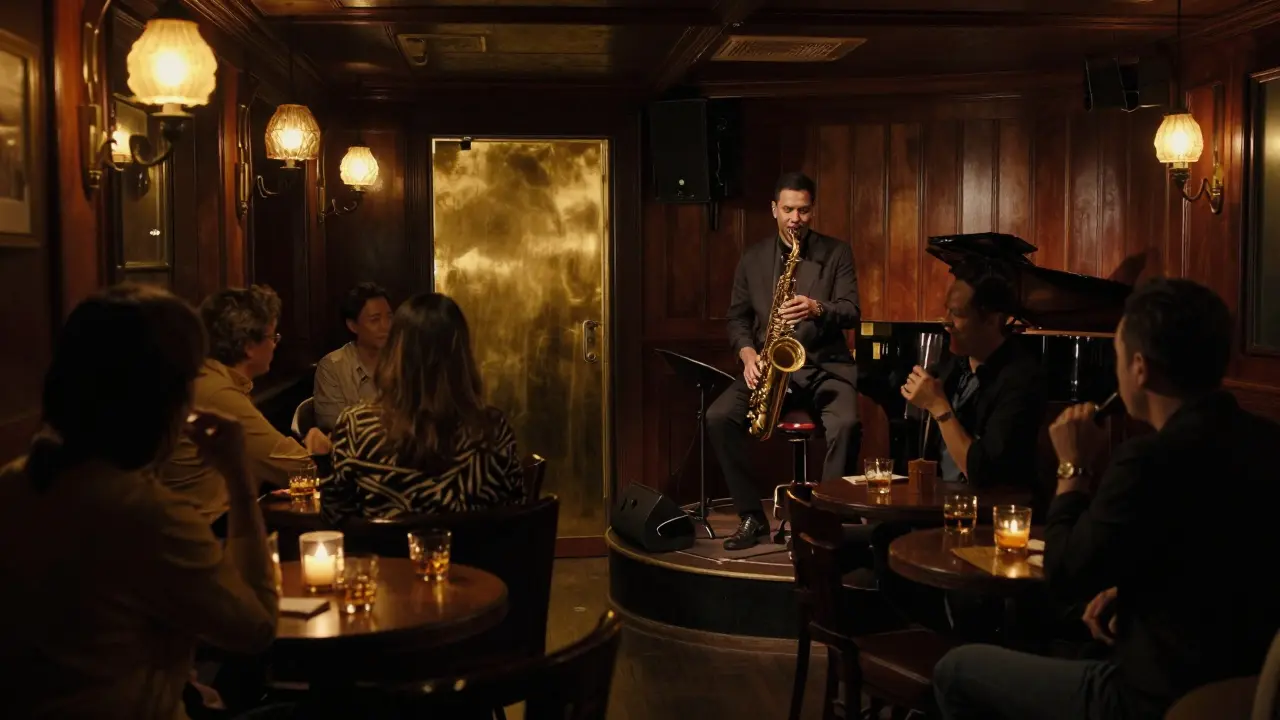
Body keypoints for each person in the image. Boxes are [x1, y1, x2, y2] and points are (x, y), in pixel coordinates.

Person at [932, 278, 1280, 719]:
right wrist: (1128, 592)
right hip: (1246, 684)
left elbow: (1064, 574)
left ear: (1138, 368)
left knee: (956, 670)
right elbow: (1209, 559)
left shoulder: (1148, 459)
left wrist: (1072, 468)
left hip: (1148, 693)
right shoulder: (1267, 442)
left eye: (1116, 356)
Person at [0, 285, 278, 719]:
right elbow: (256, 627)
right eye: (189, 380)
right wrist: (240, 481)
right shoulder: (147, 515)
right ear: (162, 399)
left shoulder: (14, 484)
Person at [707, 172, 861, 550]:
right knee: (718, 417)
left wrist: (817, 307)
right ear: (774, 209)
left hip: (825, 367)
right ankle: (751, 517)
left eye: (804, 210)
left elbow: (852, 311)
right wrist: (746, 353)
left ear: (813, 211)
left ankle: (825, 521)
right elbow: (738, 318)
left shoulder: (836, 252)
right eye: (788, 209)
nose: (795, 218)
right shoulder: (753, 258)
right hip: (770, 367)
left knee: (848, 424)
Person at [322, 292, 524, 523]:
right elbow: (515, 517)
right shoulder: (492, 430)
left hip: (384, 559)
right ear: (462, 355)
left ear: (395, 353)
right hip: (471, 558)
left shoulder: (356, 427)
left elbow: (334, 518)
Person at [160, 285, 328, 523]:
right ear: (249, 346)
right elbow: (298, 469)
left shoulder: (211, 378)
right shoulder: (217, 392)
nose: (274, 345)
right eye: (272, 337)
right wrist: (320, 452)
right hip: (207, 529)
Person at [901, 258, 1047, 488]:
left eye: (957, 313)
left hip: (987, 514)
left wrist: (940, 408)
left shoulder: (1021, 379)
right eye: (946, 310)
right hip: (936, 505)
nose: (946, 322)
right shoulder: (952, 366)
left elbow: (986, 474)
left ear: (992, 320)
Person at [314, 282, 392, 431]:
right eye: (375, 320)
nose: (386, 326)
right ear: (352, 325)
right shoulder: (333, 367)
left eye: (389, 318)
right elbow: (334, 427)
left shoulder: (401, 359)